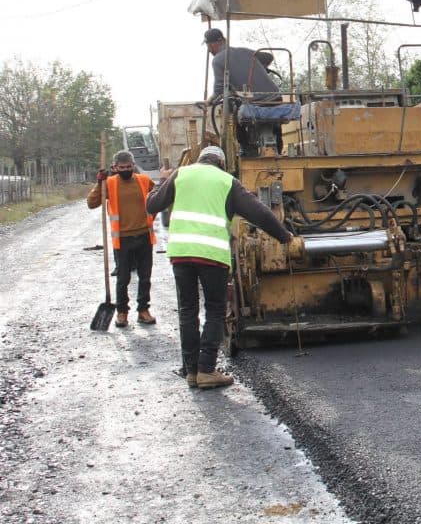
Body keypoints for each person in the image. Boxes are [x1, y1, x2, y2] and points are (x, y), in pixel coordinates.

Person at [145, 145, 295, 390]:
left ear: (201, 159)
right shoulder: (227, 181)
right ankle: (206, 370)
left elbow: (152, 205)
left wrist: (158, 185)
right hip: (212, 256)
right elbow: (259, 212)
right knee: (215, 310)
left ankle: (191, 370)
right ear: (221, 163)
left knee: (187, 311)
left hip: (181, 254)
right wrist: (284, 235)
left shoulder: (182, 173)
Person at [87, 151, 156, 328]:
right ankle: (122, 312)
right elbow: (92, 203)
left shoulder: (143, 180)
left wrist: (151, 216)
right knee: (123, 278)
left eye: (128, 167)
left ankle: (143, 310)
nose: (125, 170)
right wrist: (99, 182)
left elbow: (158, 198)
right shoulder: (109, 184)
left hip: (144, 236)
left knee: (145, 277)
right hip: (123, 240)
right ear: (115, 168)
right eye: (121, 167)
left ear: (133, 166)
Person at [203, 28, 280, 100]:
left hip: (257, 101)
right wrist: (260, 67)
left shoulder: (217, 60)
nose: (209, 50)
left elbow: (219, 90)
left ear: (211, 45)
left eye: (208, 46)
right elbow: (268, 57)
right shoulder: (245, 51)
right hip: (276, 97)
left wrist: (209, 101)